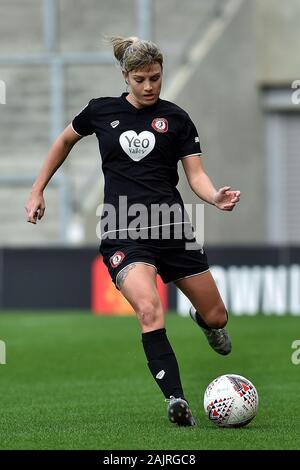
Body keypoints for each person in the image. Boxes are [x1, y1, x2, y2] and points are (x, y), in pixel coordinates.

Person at [25, 36, 240, 427]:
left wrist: (215, 198)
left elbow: (196, 175)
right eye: (140, 79)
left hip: (174, 229)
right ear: (125, 76)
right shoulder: (100, 111)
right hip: (124, 229)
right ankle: (176, 399)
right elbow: (63, 141)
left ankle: (204, 322)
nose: (148, 86)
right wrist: (38, 190)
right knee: (148, 308)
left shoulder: (176, 118)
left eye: (155, 78)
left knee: (218, 316)